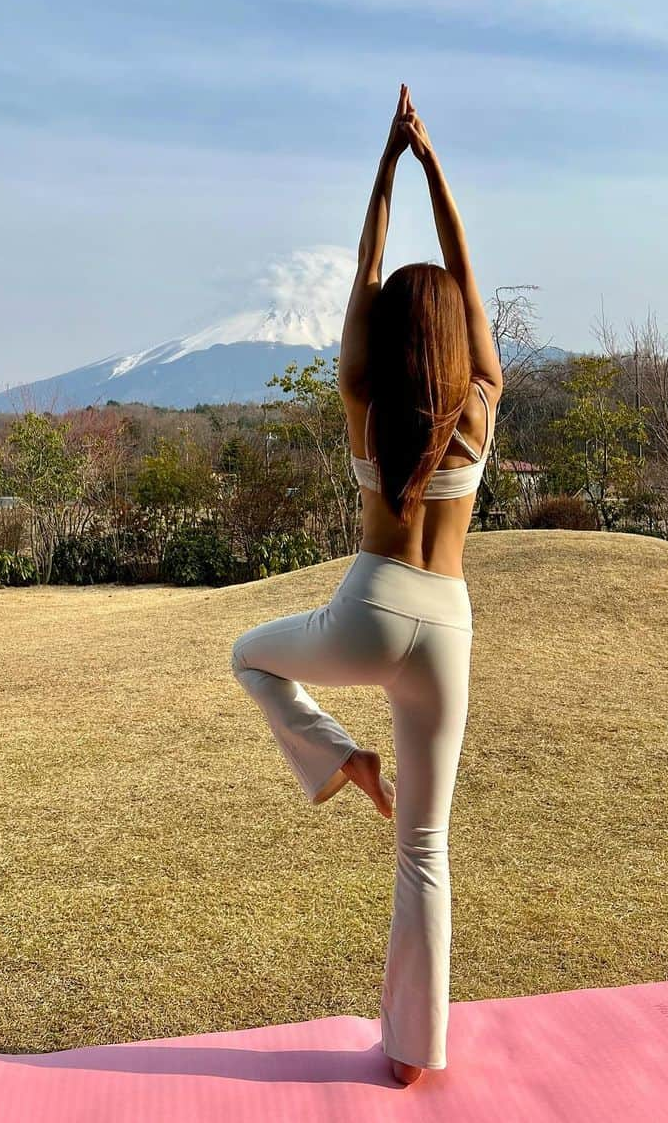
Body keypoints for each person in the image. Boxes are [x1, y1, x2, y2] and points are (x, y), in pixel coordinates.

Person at [231, 84, 503, 1086]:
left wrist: (387, 166)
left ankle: (343, 761)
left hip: (371, 604)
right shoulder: (483, 399)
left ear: (389, 334)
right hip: (449, 621)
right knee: (426, 850)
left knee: (249, 656)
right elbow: (466, 276)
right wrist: (436, 166)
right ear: (459, 337)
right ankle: (413, 1056)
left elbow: (362, 267)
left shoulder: (364, 396)